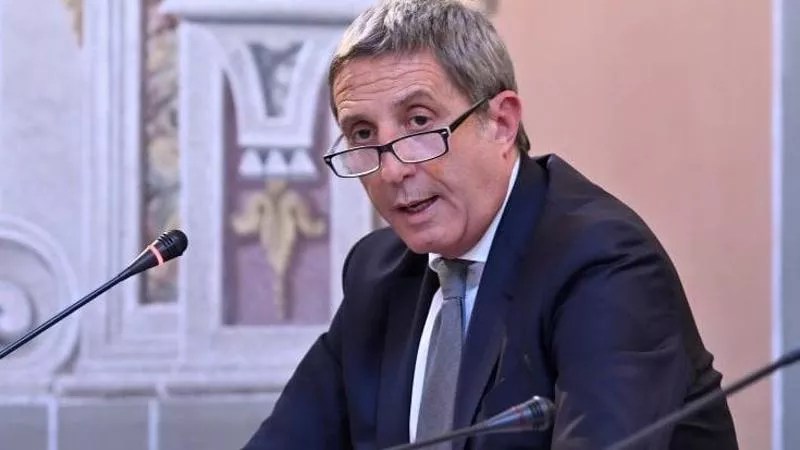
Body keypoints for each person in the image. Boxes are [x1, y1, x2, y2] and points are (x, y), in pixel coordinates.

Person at [242, 0, 738, 448]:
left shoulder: (603, 265)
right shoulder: (378, 272)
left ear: (501, 123)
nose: (391, 170)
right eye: (363, 133)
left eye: (419, 122)